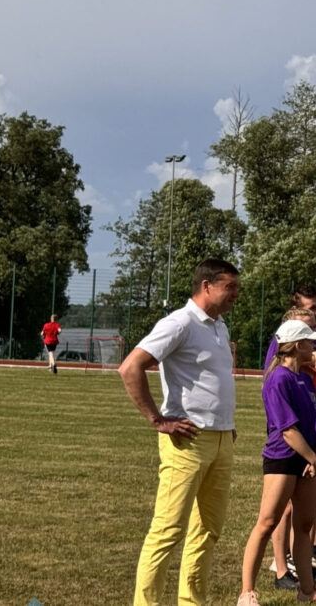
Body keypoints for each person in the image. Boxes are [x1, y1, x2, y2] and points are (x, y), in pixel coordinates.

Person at [118, 259, 239, 606]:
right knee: (168, 531)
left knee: (208, 531)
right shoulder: (179, 323)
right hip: (187, 441)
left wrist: (226, 423)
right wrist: (158, 420)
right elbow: (130, 367)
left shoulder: (220, 326)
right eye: (230, 287)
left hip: (222, 438)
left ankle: (192, 602)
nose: (235, 294)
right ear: (206, 286)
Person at [237, 319, 316, 605]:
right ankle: (247, 593)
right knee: (267, 522)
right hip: (283, 459)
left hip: (309, 462)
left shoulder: (304, 378)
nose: (314, 345)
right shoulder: (278, 379)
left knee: (304, 527)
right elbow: (287, 430)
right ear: (295, 346)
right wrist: (313, 459)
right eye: (309, 341)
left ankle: (307, 591)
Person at [262, 287, 316, 587]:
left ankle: (305, 561)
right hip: (292, 432)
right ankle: (281, 566)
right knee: (284, 506)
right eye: (311, 310)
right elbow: (275, 389)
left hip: (314, 428)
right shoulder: (284, 353)